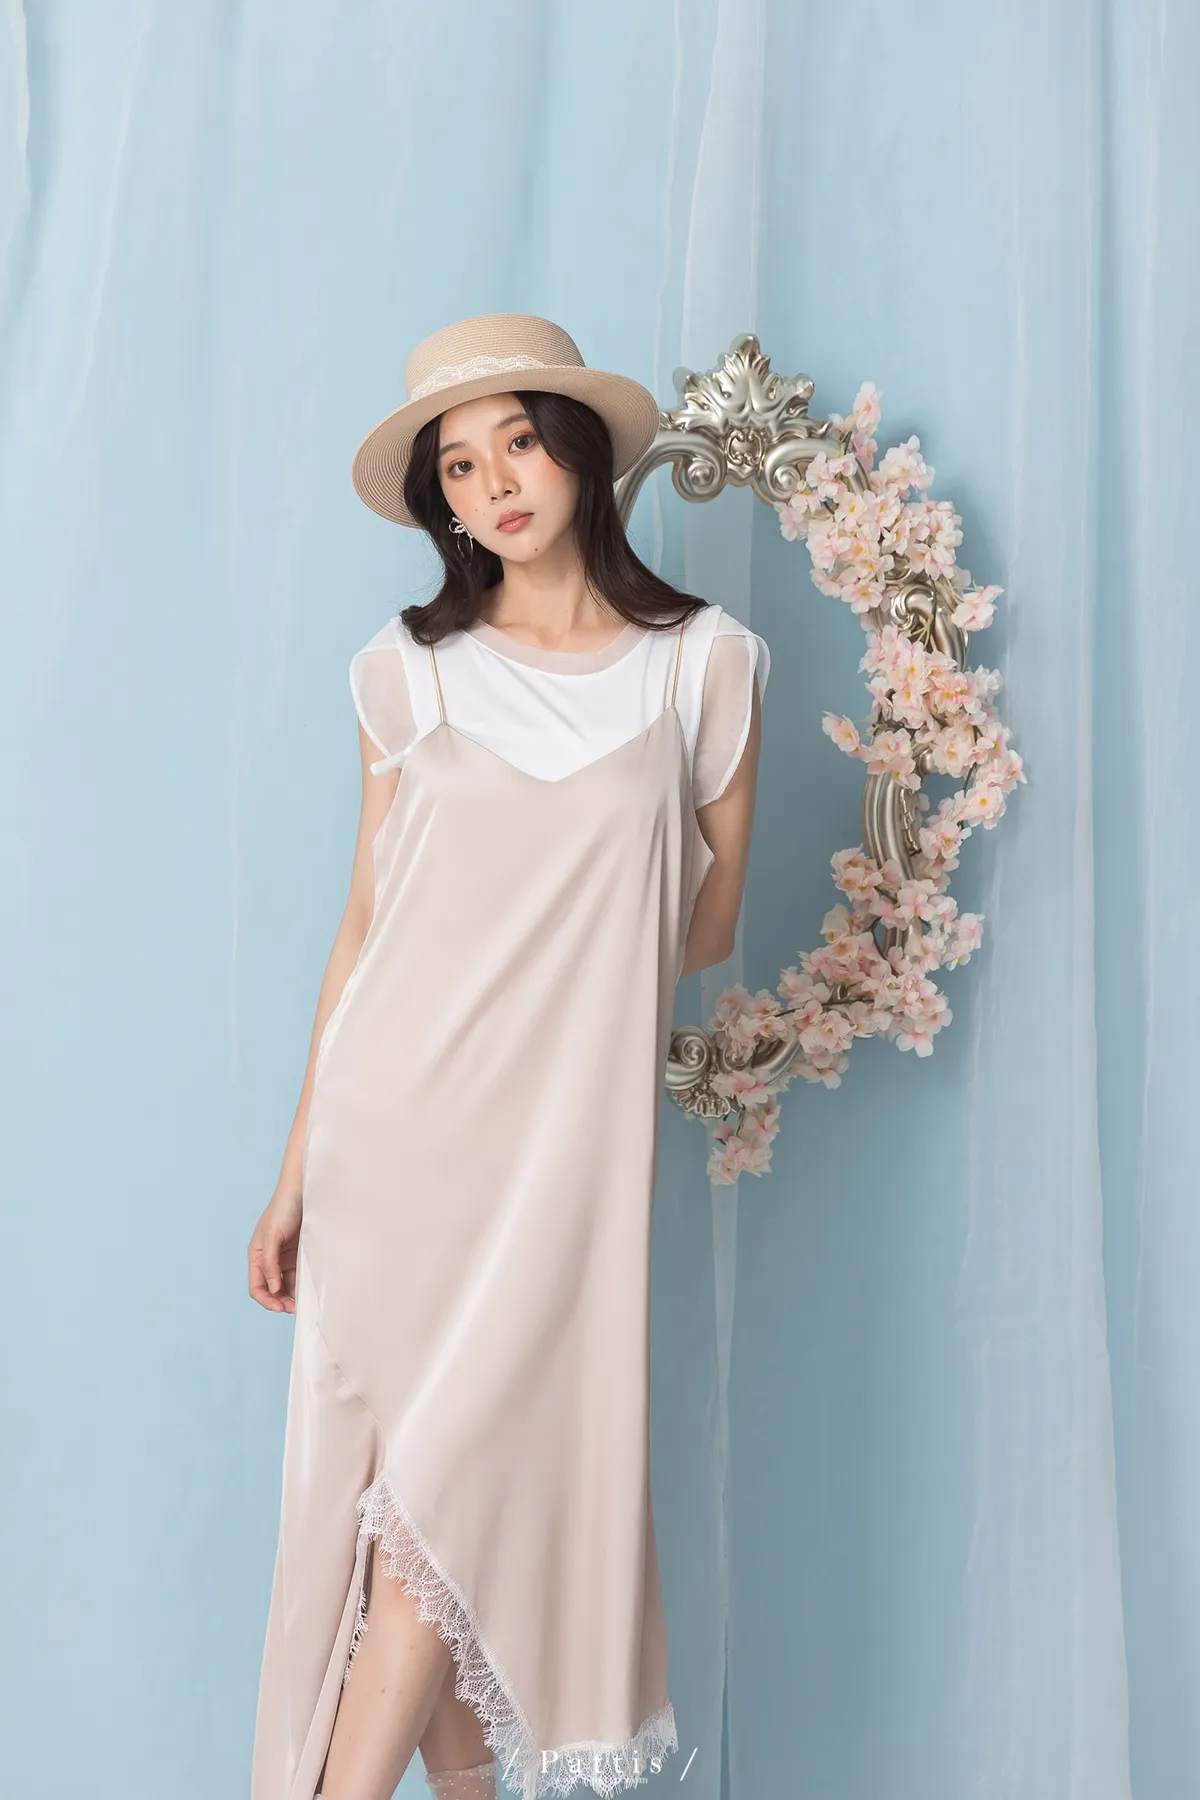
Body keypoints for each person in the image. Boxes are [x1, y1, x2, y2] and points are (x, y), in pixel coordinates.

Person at [246, 314, 769, 1800]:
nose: (496, 487)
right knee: (408, 1506)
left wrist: (562, 983)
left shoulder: (705, 664)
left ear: (579, 451)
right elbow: (365, 925)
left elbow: (708, 924)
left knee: (451, 1495)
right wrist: (294, 1173)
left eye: (519, 444)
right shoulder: (407, 671)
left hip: (560, 1151)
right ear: (445, 504)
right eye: (461, 469)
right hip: (392, 1137)